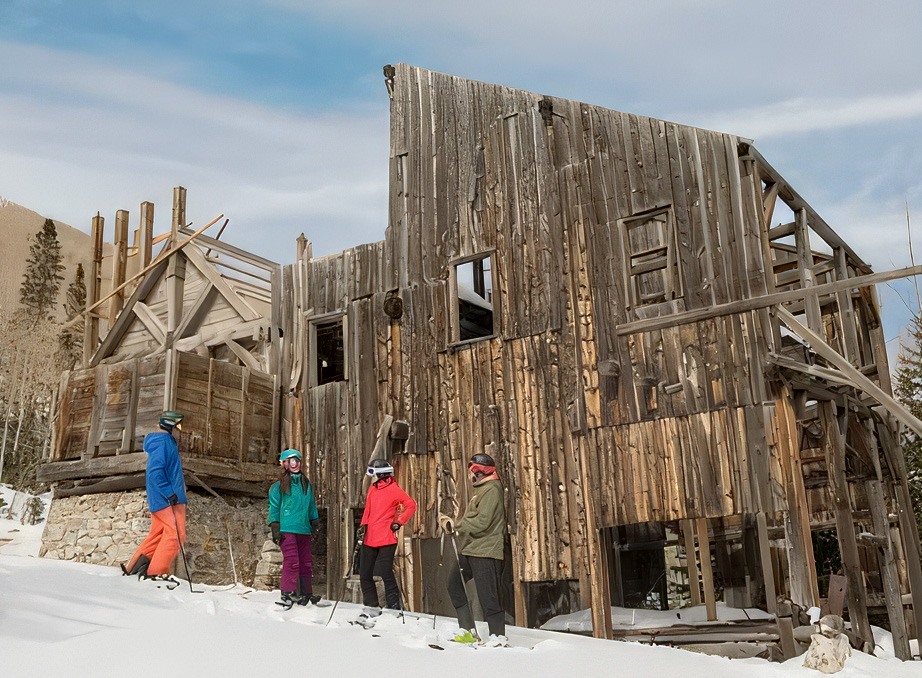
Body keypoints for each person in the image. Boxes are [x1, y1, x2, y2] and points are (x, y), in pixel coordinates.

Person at [440, 452, 507, 640]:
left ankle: (497, 636)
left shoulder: (493, 489)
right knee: (454, 583)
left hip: (486, 550)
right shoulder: (480, 490)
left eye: (473, 470)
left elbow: (483, 521)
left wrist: (457, 524)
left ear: (479, 472)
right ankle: (467, 630)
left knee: (489, 595)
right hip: (470, 548)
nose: (471, 474)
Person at [122, 411, 187, 582]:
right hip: (169, 499)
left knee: (157, 534)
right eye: (178, 426)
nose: (180, 431)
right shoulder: (164, 442)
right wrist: (170, 493)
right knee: (175, 534)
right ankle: (156, 573)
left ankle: (134, 569)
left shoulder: (162, 442)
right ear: (170, 426)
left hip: (161, 498)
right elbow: (155, 473)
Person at [357, 459, 416, 616]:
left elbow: (411, 505)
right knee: (365, 573)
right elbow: (367, 512)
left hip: (386, 537)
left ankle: (394, 605)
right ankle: (371, 606)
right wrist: (362, 528)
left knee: (385, 572)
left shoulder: (394, 489)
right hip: (369, 537)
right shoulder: (373, 490)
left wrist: (399, 522)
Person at [268, 449, 321, 607]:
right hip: (287, 529)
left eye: (297, 460)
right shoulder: (278, 486)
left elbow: (310, 504)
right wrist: (275, 527)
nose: (294, 464)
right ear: (284, 464)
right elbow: (274, 507)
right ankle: (288, 593)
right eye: (290, 461)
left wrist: (315, 520)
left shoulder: (306, 484)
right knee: (292, 562)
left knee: (306, 562)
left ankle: (305, 593)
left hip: (303, 529)